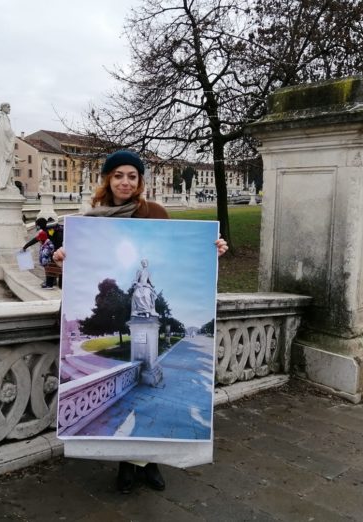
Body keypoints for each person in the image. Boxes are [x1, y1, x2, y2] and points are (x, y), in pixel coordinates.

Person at [52, 149, 228, 494]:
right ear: (108, 180)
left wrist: (214, 249)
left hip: (146, 309)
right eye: (118, 175)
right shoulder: (90, 221)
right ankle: (127, 468)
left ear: (140, 181)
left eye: (132, 176)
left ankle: (149, 464)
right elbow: (65, 273)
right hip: (133, 307)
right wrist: (61, 259)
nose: (125, 182)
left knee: (150, 414)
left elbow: (180, 245)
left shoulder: (156, 213)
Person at [0, 102, 16, 190]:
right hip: (4, 144)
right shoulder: (2, 117)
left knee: (5, 163)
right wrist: (13, 135)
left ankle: (7, 183)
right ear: (3, 107)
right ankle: (5, 183)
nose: (10, 108)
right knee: (6, 162)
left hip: (1, 143)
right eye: (8, 107)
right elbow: (6, 130)